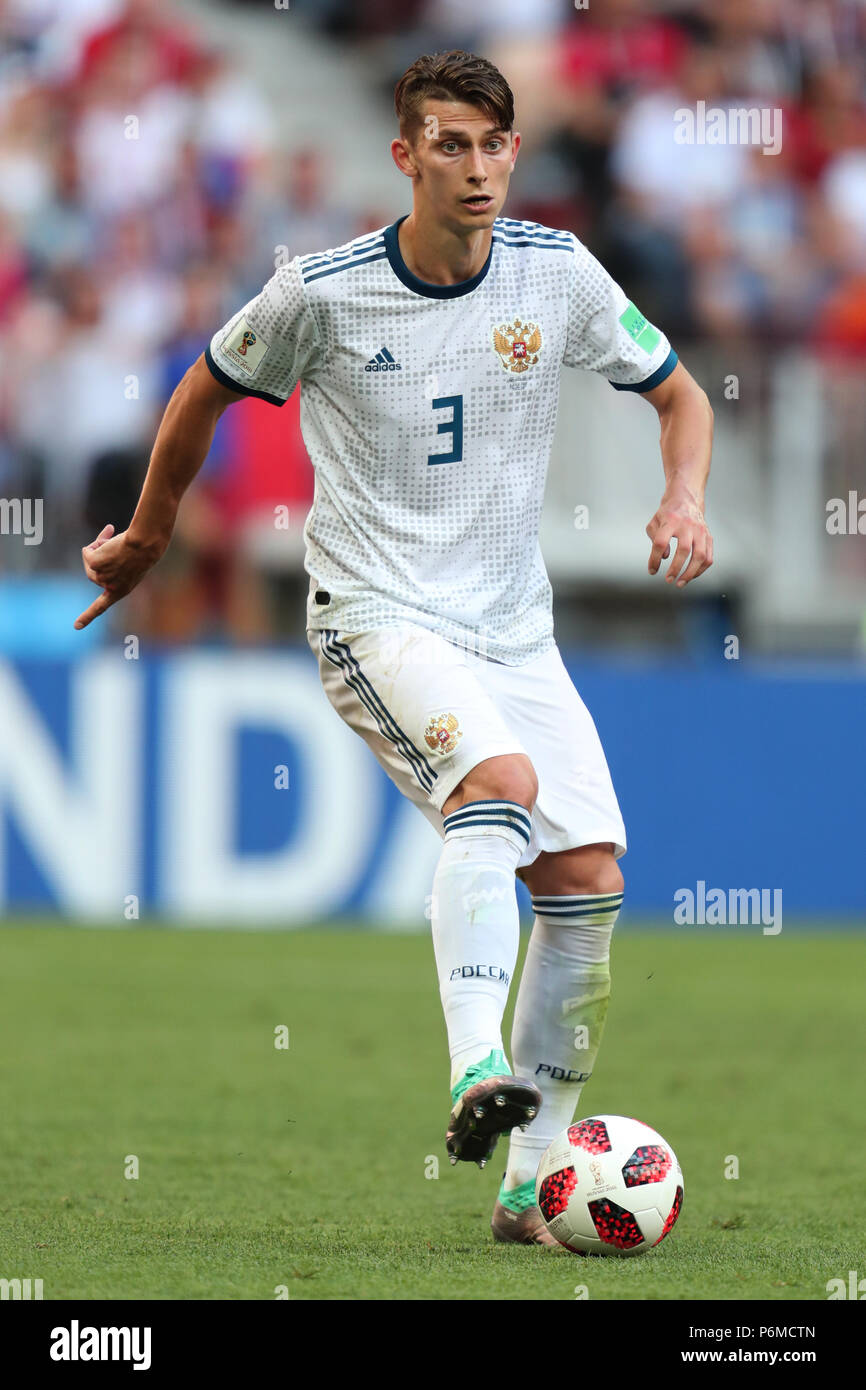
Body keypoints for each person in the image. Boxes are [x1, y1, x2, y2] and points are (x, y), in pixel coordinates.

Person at [75, 50, 714, 1245]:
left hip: (511, 627)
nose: (474, 168)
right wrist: (152, 533)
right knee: (499, 789)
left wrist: (682, 500)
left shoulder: (554, 272)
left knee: (585, 884)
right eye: (448, 144)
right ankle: (476, 1066)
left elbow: (681, 394)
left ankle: (528, 1189)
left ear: (514, 153)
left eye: (492, 145)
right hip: (375, 610)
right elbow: (203, 387)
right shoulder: (318, 293)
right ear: (404, 155)